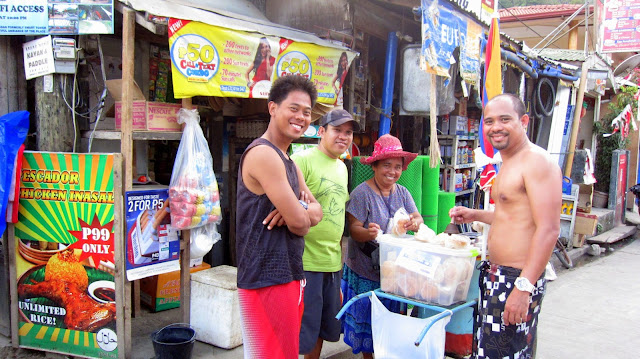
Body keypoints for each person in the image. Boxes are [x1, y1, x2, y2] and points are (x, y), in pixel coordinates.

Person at [449, 93, 561, 359]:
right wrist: (475, 214)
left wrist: (524, 286)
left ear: (523, 121)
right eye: (489, 121)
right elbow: (513, 216)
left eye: (504, 119)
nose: (495, 127)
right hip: (498, 275)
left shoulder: (536, 161)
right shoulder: (509, 161)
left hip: (516, 277)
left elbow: (548, 229)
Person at [236, 75, 323, 359]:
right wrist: (298, 212)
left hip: (286, 274)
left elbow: (317, 213)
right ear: (272, 108)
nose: (301, 117)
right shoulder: (264, 154)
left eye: (307, 112)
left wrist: (297, 209)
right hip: (265, 278)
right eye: (293, 108)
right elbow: (300, 223)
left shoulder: (288, 160)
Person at [341, 134, 423, 358]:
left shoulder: (403, 192)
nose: (392, 171)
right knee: (369, 328)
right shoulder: (362, 193)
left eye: (397, 166)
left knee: (389, 328)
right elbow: (354, 229)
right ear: (375, 166)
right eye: (387, 165)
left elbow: (418, 217)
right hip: (365, 271)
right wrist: (368, 233)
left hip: (393, 274)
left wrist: (415, 222)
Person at [291, 109, 360, 359]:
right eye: (337, 130)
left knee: (323, 325)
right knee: (301, 328)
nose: (343, 136)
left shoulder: (342, 167)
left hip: (332, 262)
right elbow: (289, 205)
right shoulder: (302, 160)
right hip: (305, 261)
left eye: (348, 132)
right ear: (322, 132)